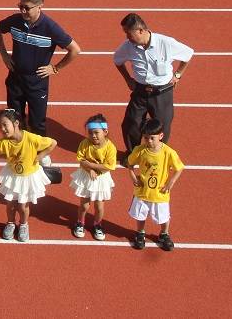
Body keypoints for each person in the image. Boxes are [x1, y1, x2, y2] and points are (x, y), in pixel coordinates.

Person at [0, 0, 80, 163]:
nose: (23, 11)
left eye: (27, 7)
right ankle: (17, 150)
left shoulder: (51, 28)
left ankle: (41, 153)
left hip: (37, 83)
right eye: (20, 6)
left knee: (37, 121)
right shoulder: (15, 21)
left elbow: (75, 49)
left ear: (40, 6)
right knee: (14, 117)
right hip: (15, 79)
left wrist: (55, 68)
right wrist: (3, 53)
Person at [113, 13, 194, 161]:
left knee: (161, 126)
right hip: (140, 91)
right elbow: (117, 60)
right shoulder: (128, 47)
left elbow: (188, 54)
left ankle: (156, 156)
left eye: (128, 33)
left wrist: (177, 75)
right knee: (131, 122)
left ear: (141, 31)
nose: (127, 37)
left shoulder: (166, 43)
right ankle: (132, 154)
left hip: (162, 93)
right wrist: (128, 79)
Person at [0, 108, 56, 242]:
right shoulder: (3, 143)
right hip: (13, 176)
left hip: (28, 177)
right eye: (0, 126)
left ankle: (24, 224)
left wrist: (39, 157)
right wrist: (6, 157)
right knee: (10, 204)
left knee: (23, 205)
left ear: (16, 123)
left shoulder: (31, 138)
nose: (2, 129)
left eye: (5, 125)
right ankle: (10, 223)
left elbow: (53, 143)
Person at [128, 119, 184, 251]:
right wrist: (132, 176)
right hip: (142, 191)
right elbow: (129, 164)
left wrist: (170, 183)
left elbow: (179, 168)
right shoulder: (140, 150)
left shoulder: (169, 152)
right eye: (146, 138)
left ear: (161, 136)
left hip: (160, 193)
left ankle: (164, 234)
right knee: (140, 215)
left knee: (164, 216)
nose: (149, 141)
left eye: (152, 138)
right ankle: (140, 233)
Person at [69, 113, 116, 240]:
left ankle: (97, 224)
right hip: (86, 177)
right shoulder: (85, 143)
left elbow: (109, 166)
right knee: (84, 205)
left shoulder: (110, 147)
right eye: (90, 133)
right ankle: (80, 222)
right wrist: (89, 169)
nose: (93, 136)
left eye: (96, 132)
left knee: (99, 206)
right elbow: (81, 160)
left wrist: (92, 166)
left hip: (101, 180)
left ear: (105, 131)